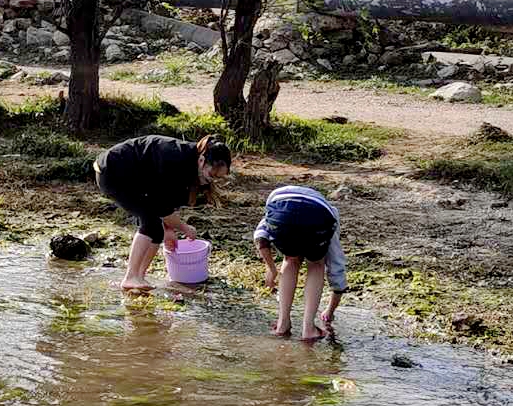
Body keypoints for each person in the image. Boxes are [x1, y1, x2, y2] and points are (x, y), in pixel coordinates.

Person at [95, 134, 232, 292]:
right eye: (212, 175)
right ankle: (130, 277)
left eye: (218, 178)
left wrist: (169, 230)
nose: (212, 180)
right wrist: (185, 228)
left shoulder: (190, 165)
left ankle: (139, 276)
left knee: (157, 230)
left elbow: (166, 200)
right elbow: (161, 204)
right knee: (151, 223)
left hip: (135, 179)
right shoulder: (176, 159)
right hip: (112, 171)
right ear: (202, 161)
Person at [254, 185, 346, 342]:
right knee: (316, 263)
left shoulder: (274, 206)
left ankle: (283, 324)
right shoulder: (331, 213)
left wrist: (271, 269)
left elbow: (260, 238)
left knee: (290, 259)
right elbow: (336, 261)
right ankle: (308, 328)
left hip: (283, 217)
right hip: (317, 217)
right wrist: (331, 309)